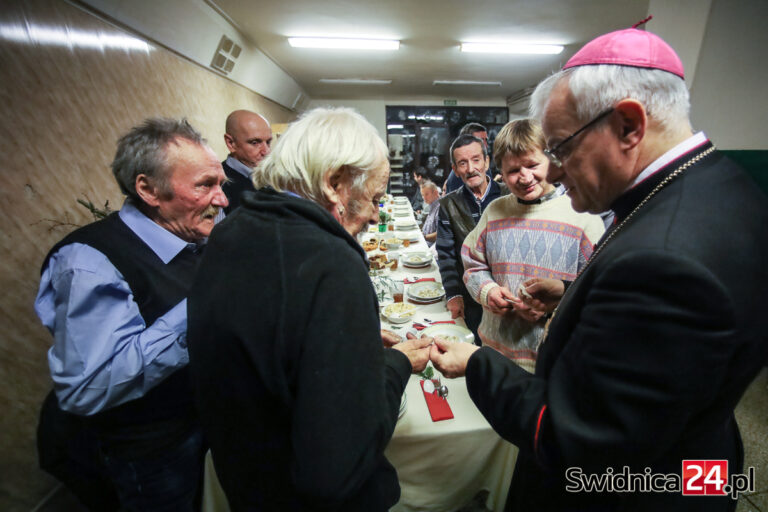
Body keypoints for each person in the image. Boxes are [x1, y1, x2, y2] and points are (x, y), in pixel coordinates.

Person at [430, 26, 768, 511]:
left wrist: (479, 363)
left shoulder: (664, 260)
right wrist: (570, 292)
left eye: (562, 148)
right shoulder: (720, 186)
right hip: (696, 456)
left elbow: (581, 443)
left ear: (629, 125)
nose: (557, 171)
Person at [187, 107, 432, 511]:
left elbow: (271, 337)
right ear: (335, 183)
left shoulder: (231, 230)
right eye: (373, 196)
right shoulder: (332, 261)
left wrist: (344, 340)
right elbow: (338, 464)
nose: (374, 213)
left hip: (250, 484)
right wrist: (394, 364)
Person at [35, 118, 228, 511]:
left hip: (201, 421)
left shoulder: (194, 236)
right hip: (147, 450)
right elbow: (87, 387)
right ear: (148, 189)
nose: (222, 199)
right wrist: (201, 306)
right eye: (205, 185)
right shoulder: (87, 262)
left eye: (220, 184)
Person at [462, 119, 604, 372]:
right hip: (495, 351)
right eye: (513, 170)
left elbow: (598, 292)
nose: (525, 177)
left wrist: (552, 310)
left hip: (555, 360)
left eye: (533, 165)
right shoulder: (495, 211)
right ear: (500, 174)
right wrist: (488, 291)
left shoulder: (583, 216)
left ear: (551, 161)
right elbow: (473, 264)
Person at [436, 133, 506, 341]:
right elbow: (446, 255)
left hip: (508, 294)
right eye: (462, 163)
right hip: (470, 297)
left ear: (486, 161)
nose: (470, 168)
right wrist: (454, 295)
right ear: (455, 170)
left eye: (476, 160)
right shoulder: (448, 205)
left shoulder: (509, 196)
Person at [221, 109, 272, 213]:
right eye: (255, 142)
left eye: (268, 142)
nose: (266, 151)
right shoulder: (218, 184)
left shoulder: (274, 178)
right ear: (231, 143)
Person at [444, 122, 493, 193]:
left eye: (486, 140)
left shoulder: (483, 164)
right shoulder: (461, 175)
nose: (485, 144)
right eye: (480, 140)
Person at [419, 179, 441, 246]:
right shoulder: (432, 205)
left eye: (426, 194)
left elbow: (440, 234)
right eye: (422, 195)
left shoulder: (440, 208)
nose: (424, 198)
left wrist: (423, 237)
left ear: (436, 193)